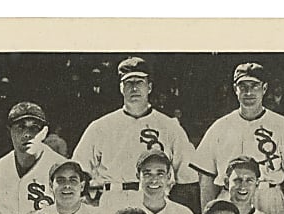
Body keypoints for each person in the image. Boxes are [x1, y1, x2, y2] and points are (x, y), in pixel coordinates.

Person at [191, 62, 284, 214]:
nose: (248, 92)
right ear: (235, 89)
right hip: (229, 197)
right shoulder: (220, 127)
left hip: (269, 195)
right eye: (242, 86)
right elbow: (206, 177)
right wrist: (207, 213)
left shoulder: (282, 125)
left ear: (264, 88)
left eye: (254, 86)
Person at [72, 56, 198, 205]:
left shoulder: (169, 126)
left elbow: (188, 177)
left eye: (140, 82)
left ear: (149, 87)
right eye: (128, 83)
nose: (134, 88)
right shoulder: (101, 126)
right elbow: (78, 169)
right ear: (121, 88)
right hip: (112, 198)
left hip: (155, 198)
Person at [0, 101, 66, 214]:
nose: (27, 134)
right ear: (10, 131)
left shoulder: (61, 167)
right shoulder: (0, 168)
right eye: (20, 127)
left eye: (34, 128)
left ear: (44, 132)